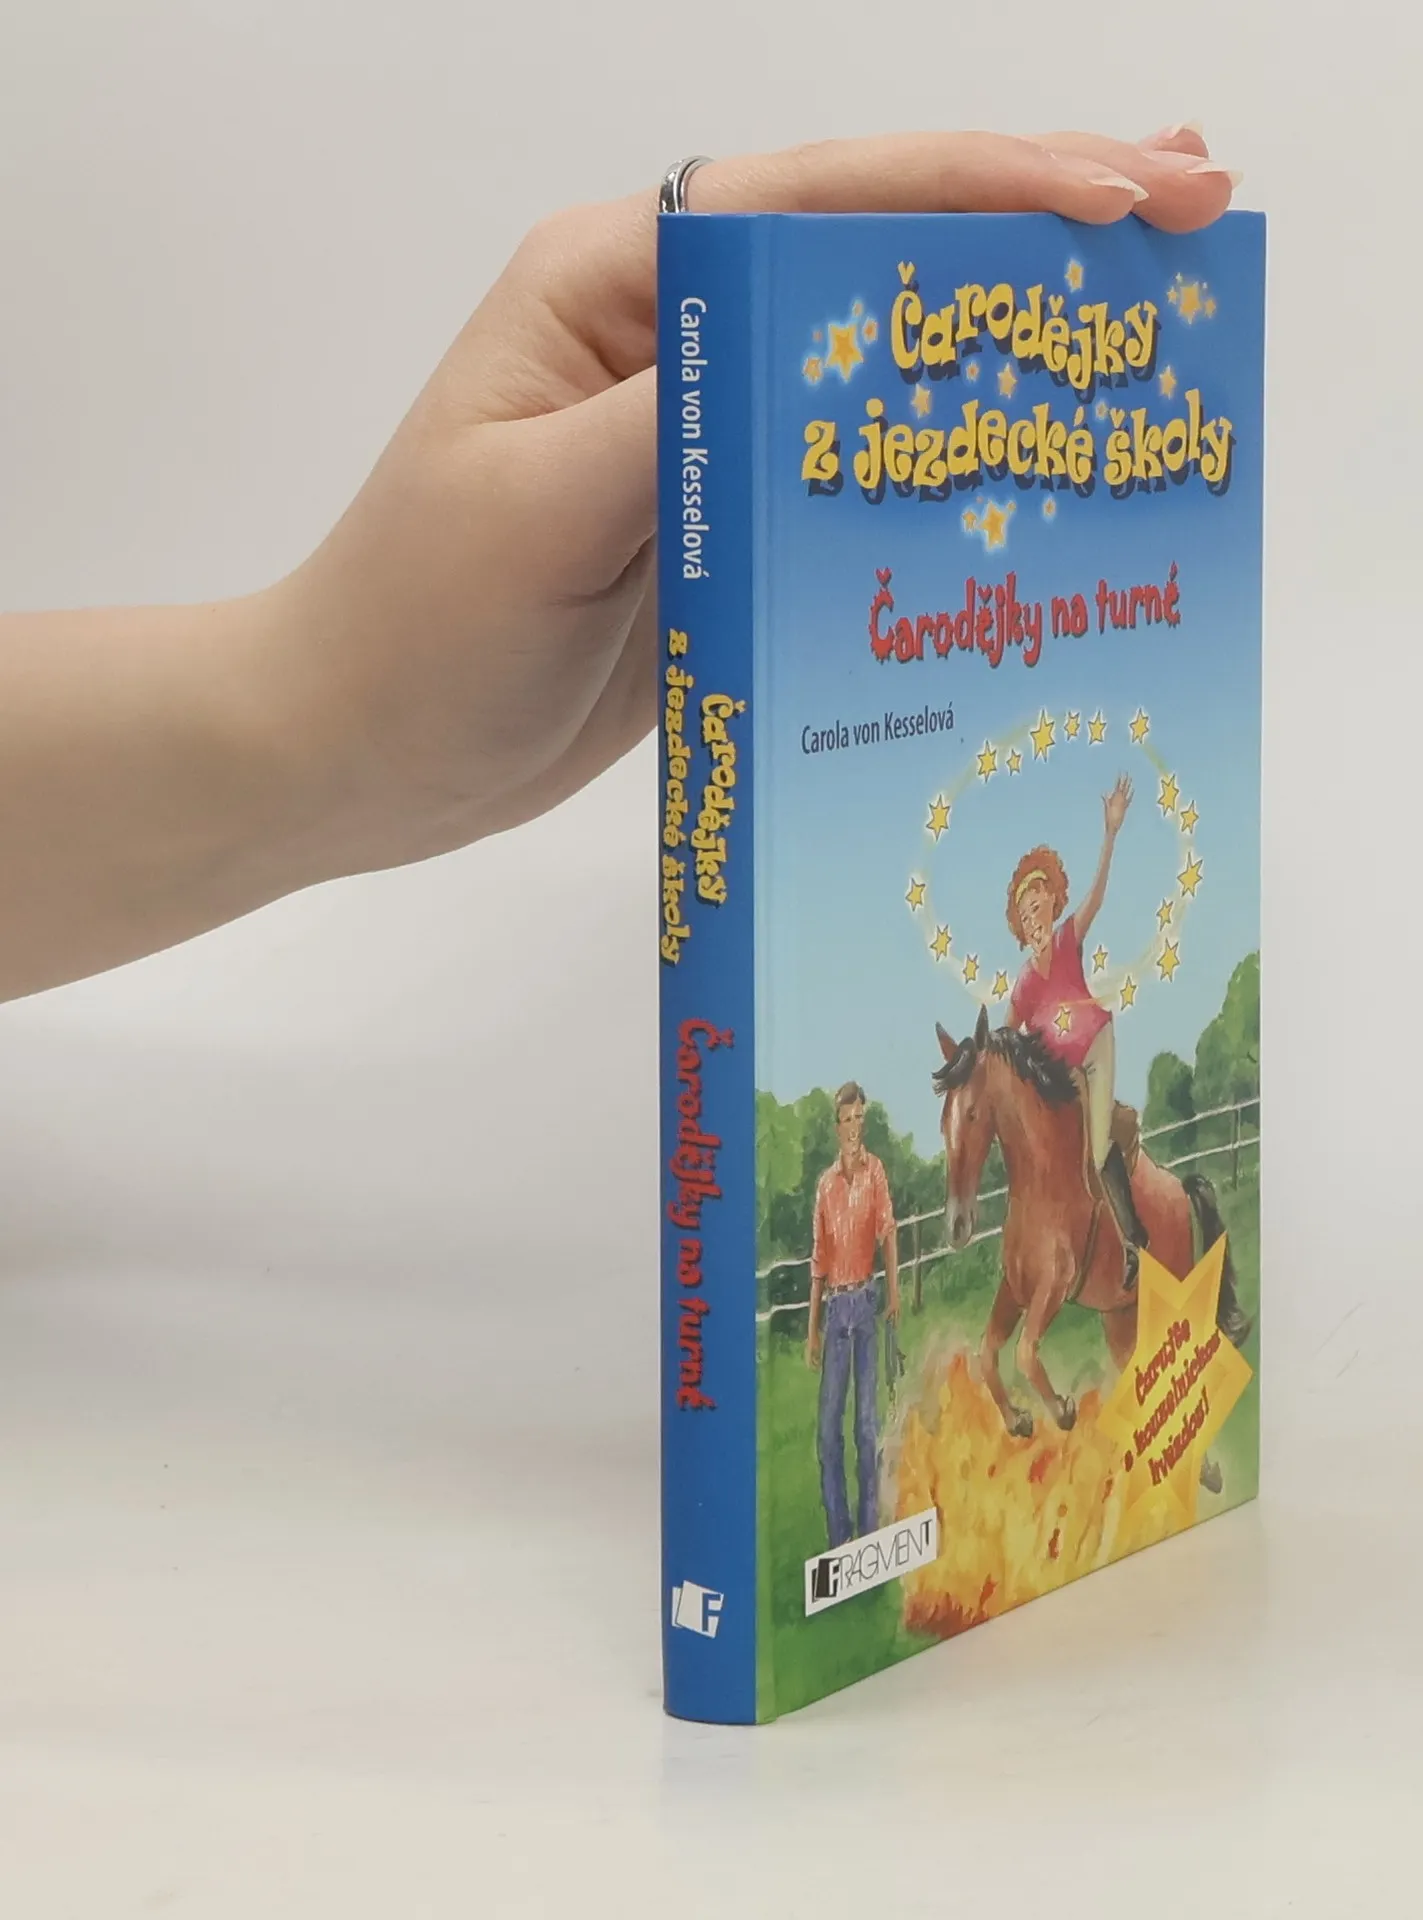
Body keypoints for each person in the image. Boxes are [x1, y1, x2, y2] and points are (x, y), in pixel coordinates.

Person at [0, 128, 1236, 1007]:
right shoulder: (1012, 981)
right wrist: (328, 716)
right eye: (1030, 906)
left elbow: (1105, 906)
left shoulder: (1068, 952)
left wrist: (329, 729)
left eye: (1042, 906)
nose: (1039, 917)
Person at [1007, 775, 1143, 1288]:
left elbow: (1098, 896)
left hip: (1094, 1052)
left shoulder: (1068, 939)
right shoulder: (1023, 984)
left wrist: (1110, 833)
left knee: (1098, 1151)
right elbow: (1004, 1042)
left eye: (1037, 906)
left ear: (1053, 903)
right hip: (1062, 1077)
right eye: (1024, 915)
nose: (1032, 918)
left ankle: (1133, 1244)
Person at [806, 1082, 900, 1548]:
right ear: (837, 1126)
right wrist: (812, 1331)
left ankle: (869, 1531)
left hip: (864, 1304)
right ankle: (838, 1538)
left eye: (859, 1118)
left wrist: (895, 1293)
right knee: (828, 1434)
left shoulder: (875, 1172)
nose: (854, 1127)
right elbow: (819, 1260)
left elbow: (888, 1231)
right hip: (835, 1310)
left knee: (866, 1427)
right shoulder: (825, 1186)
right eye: (847, 1120)